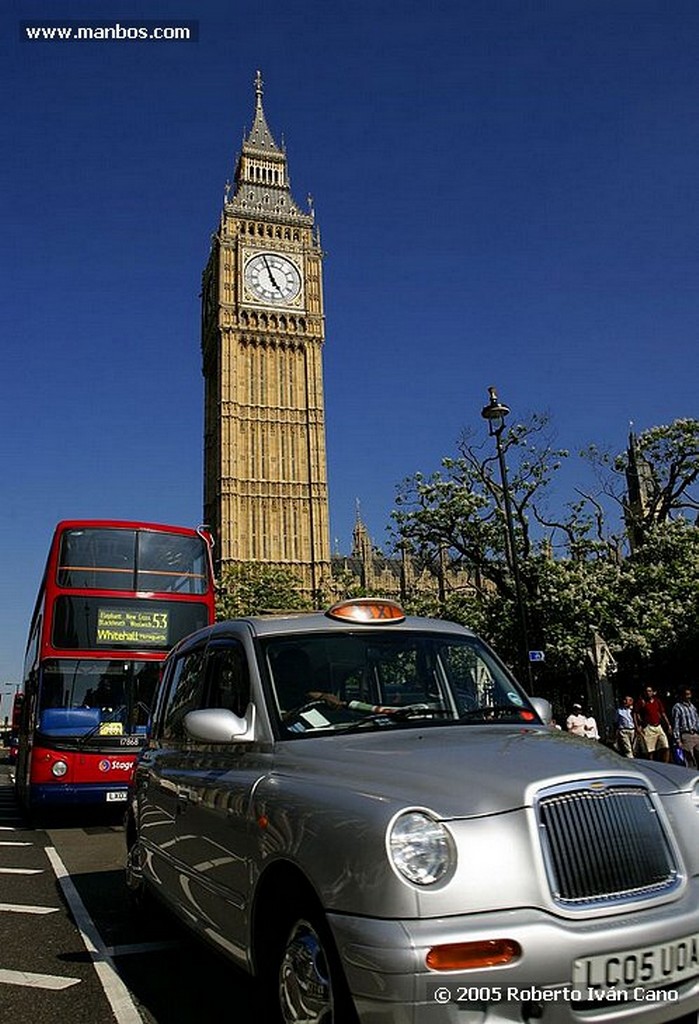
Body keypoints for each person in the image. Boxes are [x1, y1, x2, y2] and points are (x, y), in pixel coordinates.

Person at [634, 685, 671, 763]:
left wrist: (668, 725)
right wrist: (637, 726)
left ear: (653, 692)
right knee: (650, 750)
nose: (648, 693)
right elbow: (635, 713)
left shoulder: (657, 701)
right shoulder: (642, 702)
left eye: (650, 691)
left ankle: (666, 765)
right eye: (647, 691)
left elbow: (662, 713)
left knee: (665, 746)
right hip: (648, 727)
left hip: (658, 726)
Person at [671, 688, 699, 770]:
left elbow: (697, 720)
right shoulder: (677, 707)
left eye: (689, 694)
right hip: (686, 735)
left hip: (695, 734)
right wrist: (677, 739)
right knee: (689, 759)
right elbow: (676, 724)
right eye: (686, 695)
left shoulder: (692, 707)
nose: (688, 697)